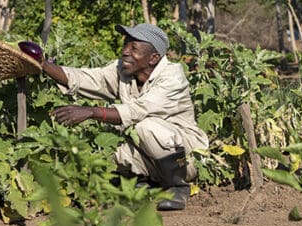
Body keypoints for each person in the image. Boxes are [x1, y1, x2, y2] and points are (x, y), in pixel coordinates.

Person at [42, 23, 208, 211]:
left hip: (186, 157)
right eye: (125, 45)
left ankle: (177, 187)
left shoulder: (172, 76)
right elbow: (89, 78)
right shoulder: (123, 70)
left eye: (134, 48)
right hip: (152, 156)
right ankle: (148, 181)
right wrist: (44, 65)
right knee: (110, 146)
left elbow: (136, 111)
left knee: (145, 126)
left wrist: (91, 112)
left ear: (153, 58)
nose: (125, 52)